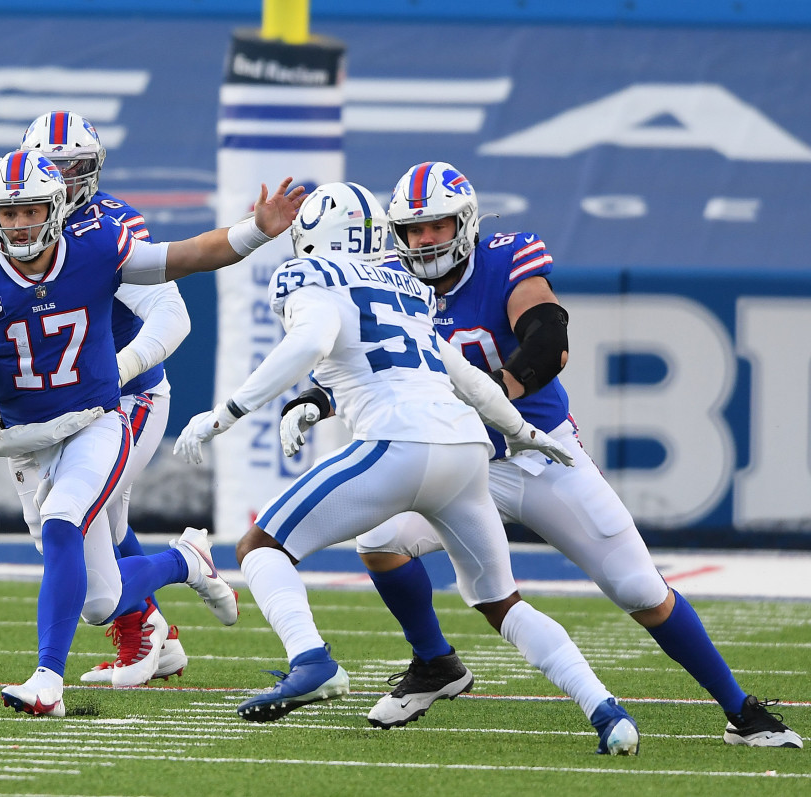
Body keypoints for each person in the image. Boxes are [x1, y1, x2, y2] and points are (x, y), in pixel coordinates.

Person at [281, 161, 802, 749]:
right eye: (413, 230)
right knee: (379, 542)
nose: (425, 241)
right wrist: (316, 399)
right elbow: (374, 365)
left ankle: (741, 711)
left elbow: (548, 340)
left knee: (638, 588)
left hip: (540, 454)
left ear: (467, 221)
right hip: (461, 461)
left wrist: (493, 395)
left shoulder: (506, 258)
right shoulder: (386, 281)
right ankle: (436, 664)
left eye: (438, 225)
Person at [175, 181, 640, 755]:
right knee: (502, 602)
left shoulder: (309, 277)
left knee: (260, 547)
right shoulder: (407, 289)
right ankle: (606, 711)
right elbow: (465, 378)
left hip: (396, 443)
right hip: (468, 449)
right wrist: (524, 433)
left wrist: (224, 414)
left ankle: (311, 660)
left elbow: (307, 344)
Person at [0, 150, 304, 716]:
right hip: (28, 441)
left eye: (29, 211)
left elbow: (188, 255)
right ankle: (186, 560)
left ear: (55, 209)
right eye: (7, 212)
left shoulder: (95, 249)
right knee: (100, 601)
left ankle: (48, 679)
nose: (18, 224)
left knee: (64, 519)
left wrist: (256, 231)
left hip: (99, 422)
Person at [18, 111, 191, 686]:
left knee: (78, 523)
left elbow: (172, 315)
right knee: (103, 522)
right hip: (62, 411)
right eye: (53, 169)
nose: (65, 183)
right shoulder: (18, 224)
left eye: (76, 170)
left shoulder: (112, 227)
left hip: (127, 401)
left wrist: (115, 371)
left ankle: (160, 599)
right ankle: (157, 628)